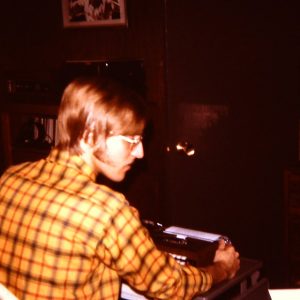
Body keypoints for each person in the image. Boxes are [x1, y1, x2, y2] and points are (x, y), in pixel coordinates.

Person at [0, 76, 240, 299]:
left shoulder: (9, 179)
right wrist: (220, 269)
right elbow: (169, 284)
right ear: (91, 135)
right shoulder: (106, 209)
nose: (140, 152)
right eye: (132, 140)